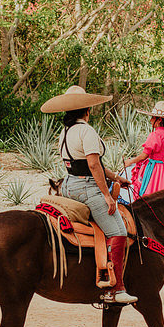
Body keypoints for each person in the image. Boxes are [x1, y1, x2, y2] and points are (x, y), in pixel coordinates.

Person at [42, 84, 135, 305]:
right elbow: (93, 165)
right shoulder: (87, 131)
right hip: (88, 188)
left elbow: (84, 164)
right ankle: (116, 288)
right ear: (87, 110)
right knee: (118, 231)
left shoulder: (65, 132)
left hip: (69, 185)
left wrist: (116, 179)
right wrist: (106, 194)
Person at [123, 101, 164, 200]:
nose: (150, 121)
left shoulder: (156, 135)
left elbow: (144, 156)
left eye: (152, 118)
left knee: (150, 195)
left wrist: (130, 161)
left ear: (159, 119)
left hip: (156, 170)